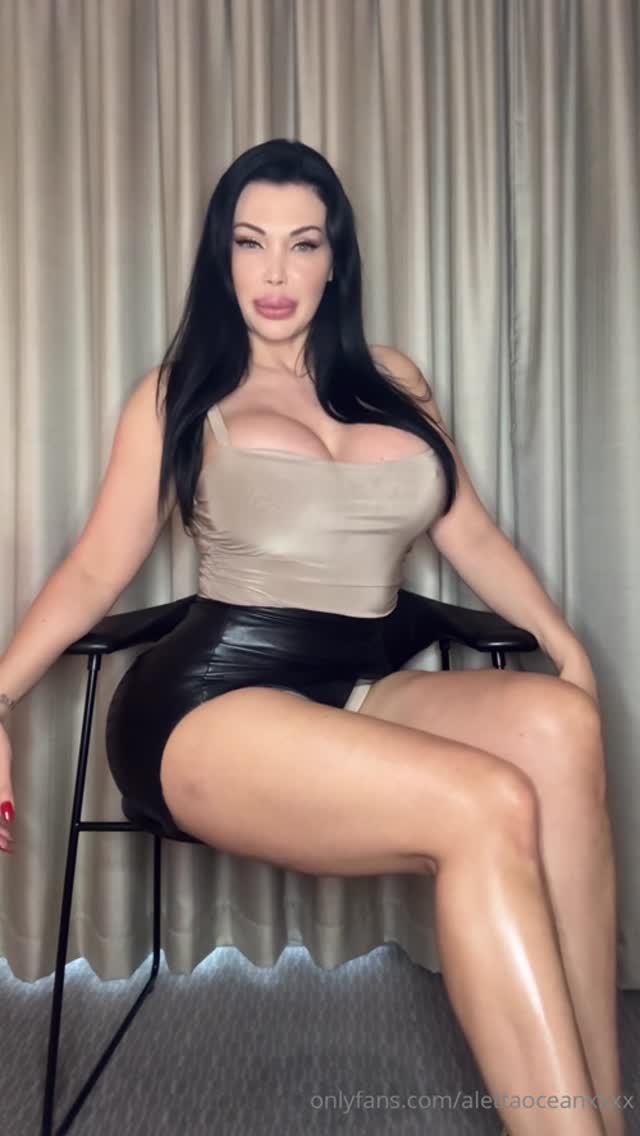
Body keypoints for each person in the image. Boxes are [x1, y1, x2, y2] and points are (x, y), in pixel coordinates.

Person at [0, 139, 622, 1135]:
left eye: (302, 243)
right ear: (223, 258)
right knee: (486, 802)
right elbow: (91, 570)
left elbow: (467, 531)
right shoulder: (178, 393)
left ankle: (597, 1104)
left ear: (336, 259)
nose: (276, 272)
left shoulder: (393, 381)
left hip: (359, 681)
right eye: (251, 243)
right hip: (209, 702)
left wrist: (564, 641)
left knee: (565, 727)